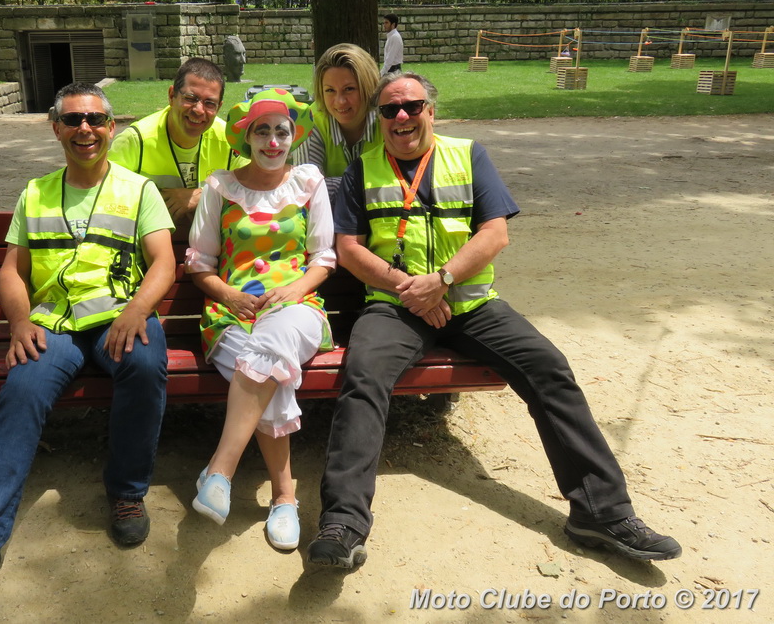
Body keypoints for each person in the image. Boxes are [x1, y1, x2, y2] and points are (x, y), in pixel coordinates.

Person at [306, 71, 682, 569]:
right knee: (364, 376)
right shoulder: (363, 168)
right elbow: (349, 249)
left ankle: (601, 512)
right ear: (380, 118)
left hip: (471, 305)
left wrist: (441, 280)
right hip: (395, 307)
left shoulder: (468, 155)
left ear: (430, 111)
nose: (401, 117)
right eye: (390, 109)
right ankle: (343, 523)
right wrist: (411, 289)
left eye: (412, 106)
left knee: (549, 368)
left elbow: (494, 233)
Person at [0, 82, 176, 623]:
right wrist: (18, 322)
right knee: (22, 389)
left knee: (146, 364)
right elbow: (12, 271)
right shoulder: (34, 193)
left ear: (112, 127)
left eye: (96, 119)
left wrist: (137, 310)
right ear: (55, 127)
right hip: (53, 324)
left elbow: (163, 262)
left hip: (117, 317)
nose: (86, 129)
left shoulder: (138, 190)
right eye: (73, 120)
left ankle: (127, 492)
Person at [185, 88, 335, 551]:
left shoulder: (308, 182)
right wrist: (229, 295)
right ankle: (284, 497)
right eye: (263, 131)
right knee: (272, 373)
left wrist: (294, 290)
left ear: (293, 136)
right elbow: (199, 264)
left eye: (282, 132)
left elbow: (323, 257)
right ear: (246, 137)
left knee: (271, 349)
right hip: (231, 314)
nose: (273, 142)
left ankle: (220, 470)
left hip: (295, 308)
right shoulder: (219, 187)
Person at [110, 57, 248, 223]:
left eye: (210, 103)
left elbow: (255, 187)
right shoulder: (135, 140)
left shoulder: (229, 139)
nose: (199, 110)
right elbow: (107, 195)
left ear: (219, 107)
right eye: (190, 98)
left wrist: (202, 195)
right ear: (171, 96)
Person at [294, 43, 383, 199]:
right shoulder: (310, 122)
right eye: (330, 90)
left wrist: (332, 186)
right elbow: (307, 190)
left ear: (368, 87)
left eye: (349, 89)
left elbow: (401, 184)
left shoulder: (387, 118)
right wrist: (369, 185)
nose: (340, 101)